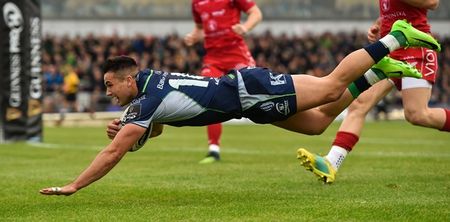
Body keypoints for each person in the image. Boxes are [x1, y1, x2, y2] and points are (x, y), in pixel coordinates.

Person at [39, 20, 441, 195]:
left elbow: (114, 152)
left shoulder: (146, 99)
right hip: (248, 101)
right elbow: (156, 126)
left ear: (129, 79)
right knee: (317, 124)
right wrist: (137, 129)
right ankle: (379, 71)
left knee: (330, 88)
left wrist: (75, 184)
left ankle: (394, 39)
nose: (109, 93)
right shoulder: (150, 86)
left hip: (249, 90)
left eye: (111, 85)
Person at [297, 0, 450, 184]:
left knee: (417, 114)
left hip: (415, 48)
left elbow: (432, 2)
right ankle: (331, 162)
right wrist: (380, 23)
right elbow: (396, 10)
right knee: (359, 104)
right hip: (392, 51)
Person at [184, 0, 263, 163]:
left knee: (258, 93)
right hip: (213, 59)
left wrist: (245, 27)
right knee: (209, 98)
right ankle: (213, 149)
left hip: (237, 55)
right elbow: (200, 29)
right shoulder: (197, 3)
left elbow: (256, 13)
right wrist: (194, 36)